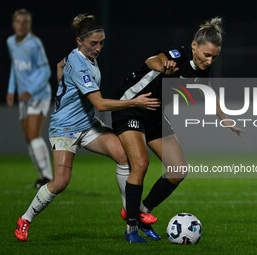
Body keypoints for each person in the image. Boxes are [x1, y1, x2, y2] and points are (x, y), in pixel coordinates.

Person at [14, 13, 160, 242]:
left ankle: (129, 210)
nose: (99, 48)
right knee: (60, 183)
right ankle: (25, 219)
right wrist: (135, 101)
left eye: (102, 43)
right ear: (79, 41)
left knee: (123, 155)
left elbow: (60, 64)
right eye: (94, 43)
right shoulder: (81, 66)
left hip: (88, 125)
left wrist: (62, 83)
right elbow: (100, 104)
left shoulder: (81, 56)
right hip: (65, 129)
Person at [111, 17, 245, 243]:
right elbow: (153, 60)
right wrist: (163, 65)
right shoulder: (178, 55)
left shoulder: (201, 70)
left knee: (178, 170)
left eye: (214, 57)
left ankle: (141, 211)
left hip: (154, 114)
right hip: (131, 107)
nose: (210, 61)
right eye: (206, 55)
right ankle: (131, 228)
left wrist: (225, 119)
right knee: (141, 164)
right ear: (194, 45)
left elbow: (208, 92)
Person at [6, 9, 53, 188]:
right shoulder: (10, 42)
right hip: (24, 96)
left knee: (33, 135)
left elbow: (46, 71)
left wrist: (31, 91)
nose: (21, 25)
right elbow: (15, 67)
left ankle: (48, 178)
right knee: (29, 138)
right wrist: (11, 90)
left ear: (29, 25)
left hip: (38, 94)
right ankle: (43, 177)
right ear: (13, 24)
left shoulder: (34, 44)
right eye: (18, 22)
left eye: (24, 22)